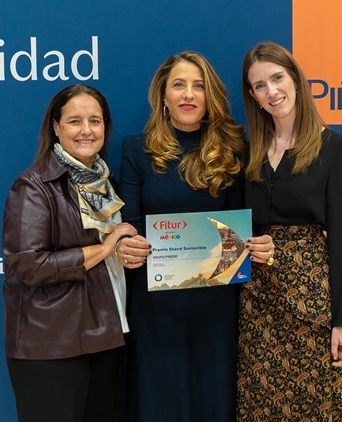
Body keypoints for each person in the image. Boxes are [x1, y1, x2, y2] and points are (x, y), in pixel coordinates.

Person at [117, 51, 274, 422]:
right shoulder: (136, 149)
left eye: (198, 86)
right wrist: (127, 245)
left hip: (216, 305)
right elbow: (131, 224)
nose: (188, 94)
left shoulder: (236, 147)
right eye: (179, 85)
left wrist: (259, 243)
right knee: (158, 403)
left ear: (210, 96)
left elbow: (243, 224)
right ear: (163, 95)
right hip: (155, 306)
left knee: (213, 402)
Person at [236, 42, 342, 421]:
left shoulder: (335, 148)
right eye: (260, 85)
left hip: (310, 299)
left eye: (277, 78)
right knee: (261, 405)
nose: (272, 91)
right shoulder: (248, 150)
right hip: (257, 301)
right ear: (253, 96)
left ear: (295, 79)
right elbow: (234, 223)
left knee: (319, 404)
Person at [2, 84, 137, 422]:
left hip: (103, 338)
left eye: (95, 121)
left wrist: (124, 251)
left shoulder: (107, 185)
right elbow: (31, 265)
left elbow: (110, 258)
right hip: (52, 345)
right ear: (56, 127)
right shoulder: (33, 186)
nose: (86, 130)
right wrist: (104, 248)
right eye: (75, 121)